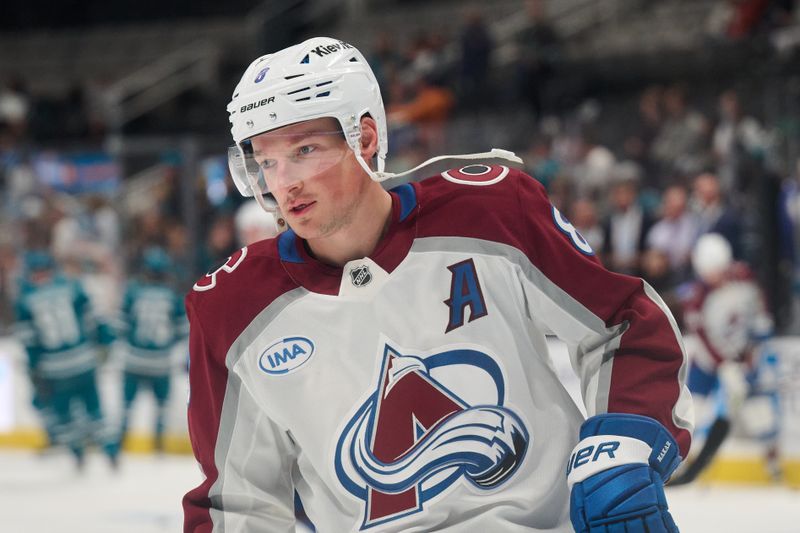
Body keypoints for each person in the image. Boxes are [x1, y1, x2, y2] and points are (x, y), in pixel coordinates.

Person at [183, 37, 692, 533]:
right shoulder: (232, 309)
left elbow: (619, 324)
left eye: (305, 150)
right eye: (266, 161)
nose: (283, 182)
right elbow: (236, 505)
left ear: (365, 138)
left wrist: (626, 442)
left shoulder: (491, 211)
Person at [673, 233, 780, 484]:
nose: (715, 277)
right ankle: (677, 465)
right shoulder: (696, 298)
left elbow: (760, 313)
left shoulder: (744, 278)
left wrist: (754, 351)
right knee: (690, 413)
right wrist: (725, 366)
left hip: (744, 359)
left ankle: (774, 464)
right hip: (710, 363)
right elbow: (703, 339)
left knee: (759, 412)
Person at [13, 250, 118, 470]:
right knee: (94, 410)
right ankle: (109, 452)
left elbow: (30, 342)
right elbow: (94, 318)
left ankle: (78, 454)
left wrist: (35, 369)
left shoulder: (25, 301)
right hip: (83, 361)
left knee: (65, 416)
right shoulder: (73, 288)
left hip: (55, 368)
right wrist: (105, 342)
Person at [116, 246, 187, 452]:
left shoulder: (133, 292)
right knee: (162, 406)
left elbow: (121, 326)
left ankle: (120, 441)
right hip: (161, 362)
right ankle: (158, 443)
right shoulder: (173, 295)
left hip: (134, 359)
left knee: (126, 405)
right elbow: (182, 329)